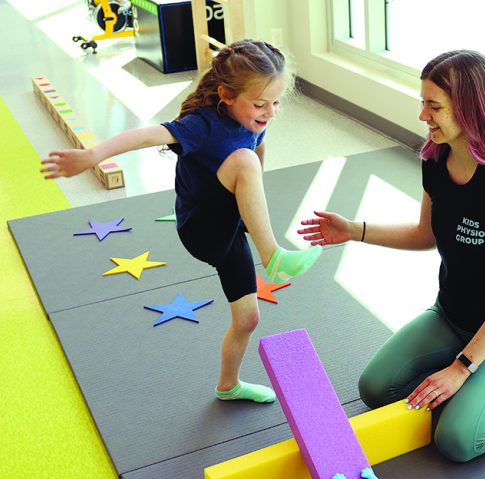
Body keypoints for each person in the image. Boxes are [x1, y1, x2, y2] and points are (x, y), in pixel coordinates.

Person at [298, 50, 485, 462]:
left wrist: (460, 369)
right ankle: (482, 381)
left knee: (456, 441)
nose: (423, 116)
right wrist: (354, 231)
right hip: (450, 318)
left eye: (434, 106)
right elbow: (425, 233)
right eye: (423, 103)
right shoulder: (436, 160)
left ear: (469, 109)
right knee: (375, 389)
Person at [40, 39, 322, 404]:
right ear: (225, 95)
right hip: (202, 228)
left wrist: (253, 197)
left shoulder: (253, 119)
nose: (270, 112)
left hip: (230, 223)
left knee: (248, 319)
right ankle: (273, 256)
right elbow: (143, 135)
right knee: (245, 162)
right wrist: (92, 155)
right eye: (260, 104)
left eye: (276, 102)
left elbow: (258, 149)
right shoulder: (200, 124)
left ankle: (228, 386)